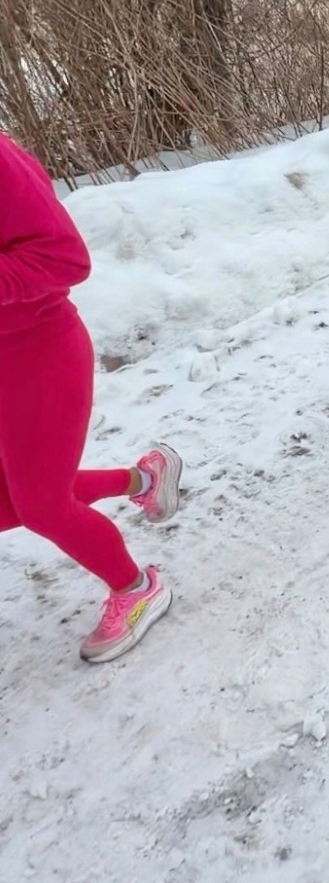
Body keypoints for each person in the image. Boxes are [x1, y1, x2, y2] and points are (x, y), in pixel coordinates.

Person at [0, 129, 180, 662]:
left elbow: (64, 258)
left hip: (35, 353)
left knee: (42, 506)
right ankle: (145, 479)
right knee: (11, 502)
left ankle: (137, 588)